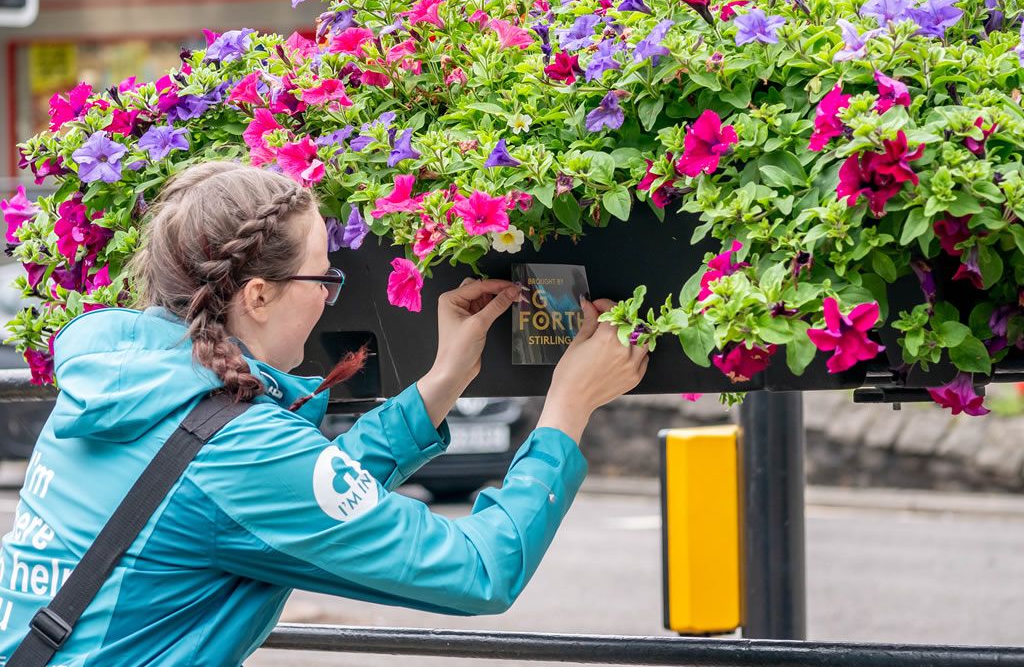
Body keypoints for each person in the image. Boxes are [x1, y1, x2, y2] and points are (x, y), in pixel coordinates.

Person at [0, 161, 648, 665]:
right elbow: (482, 568)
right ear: (258, 294)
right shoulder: (237, 447)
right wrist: (568, 406)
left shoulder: (124, 381)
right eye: (324, 279)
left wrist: (444, 381)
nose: (330, 299)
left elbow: (290, 493)